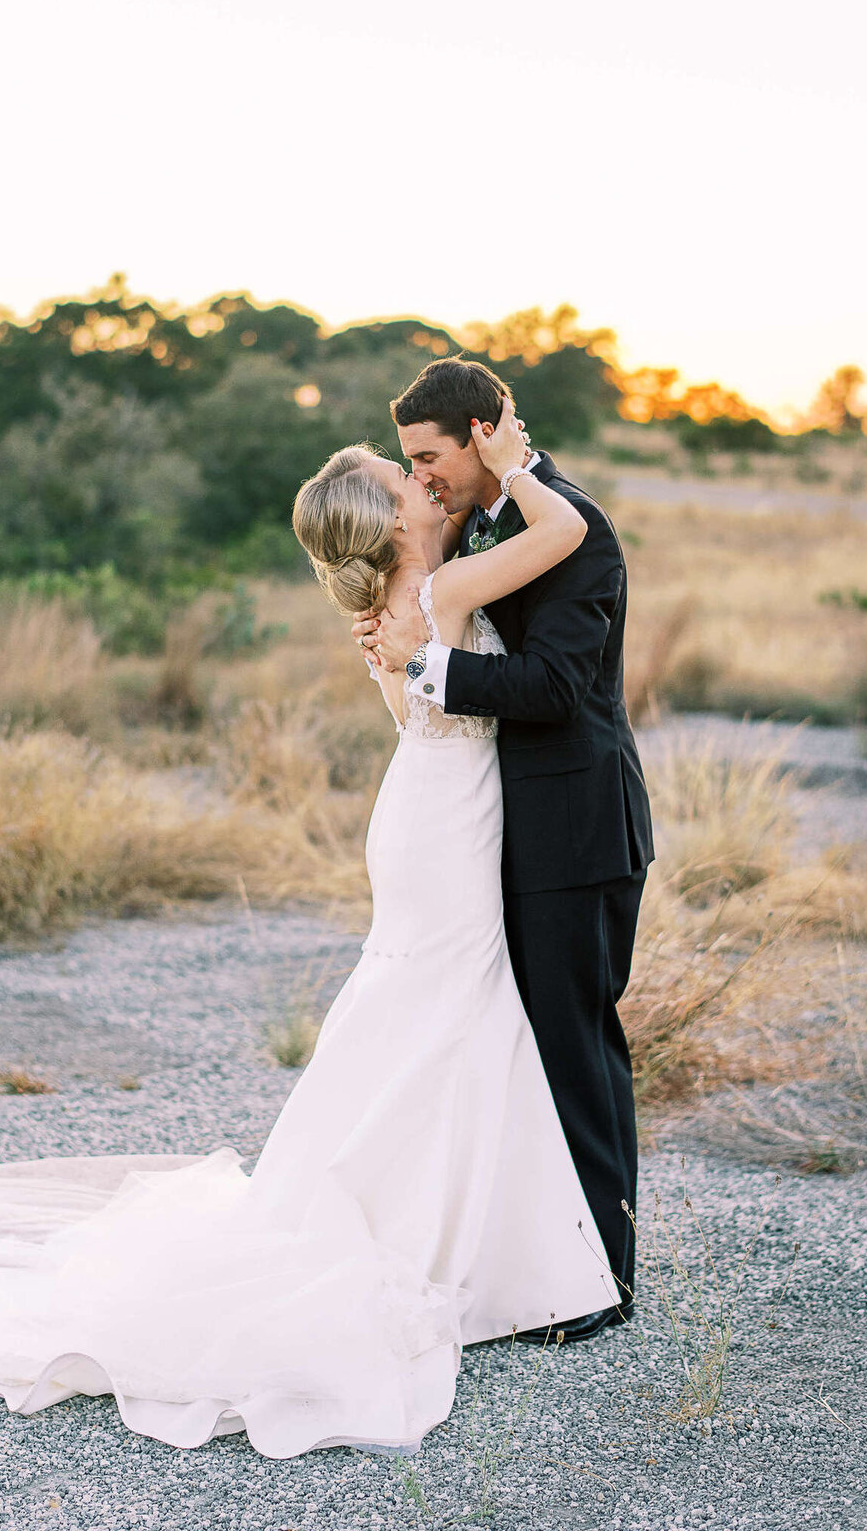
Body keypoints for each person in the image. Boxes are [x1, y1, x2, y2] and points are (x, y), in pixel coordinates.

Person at [0, 397, 617, 1461]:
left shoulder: (402, 597)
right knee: (446, 1010)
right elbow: (569, 535)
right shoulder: (434, 590)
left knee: (427, 1015)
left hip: (424, 822)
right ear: (391, 526)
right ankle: (454, 1241)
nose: (423, 487)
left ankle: (447, 1231)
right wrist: (518, 463)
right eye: (407, 486)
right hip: (443, 833)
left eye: (421, 474)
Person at [352, 356, 654, 1333]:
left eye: (429, 456)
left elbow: (556, 688)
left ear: (484, 435)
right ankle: (531, 1262)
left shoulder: (575, 527)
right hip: (497, 837)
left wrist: (426, 667)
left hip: (576, 833)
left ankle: (603, 1281)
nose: (422, 475)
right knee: (516, 1050)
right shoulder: (483, 524)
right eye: (409, 462)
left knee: (575, 1047)